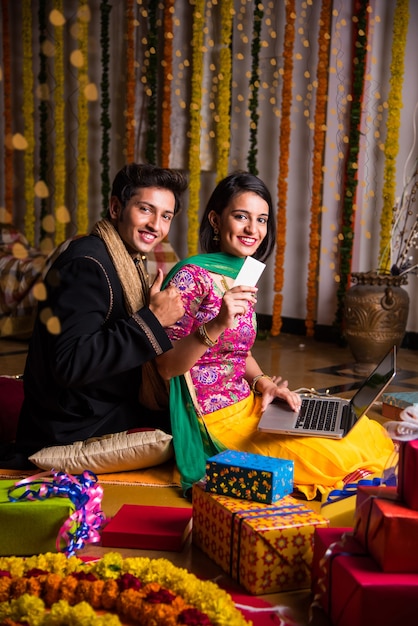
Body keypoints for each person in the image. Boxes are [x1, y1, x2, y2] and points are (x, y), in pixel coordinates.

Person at [155, 171, 395, 500]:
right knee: (333, 455)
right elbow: (167, 367)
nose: (253, 230)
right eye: (241, 217)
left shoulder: (243, 272)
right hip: (214, 419)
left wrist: (264, 383)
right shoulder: (190, 277)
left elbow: (240, 352)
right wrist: (217, 323)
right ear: (215, 219)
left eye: (262, 220)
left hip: (250, 403)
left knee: (363, 431)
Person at [4, 163, 188, 468]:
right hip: (72, 423)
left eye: (166, 216)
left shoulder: (126, 259)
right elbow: (69, 364)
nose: (156, 225)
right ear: (116, 207)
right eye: (146, 209)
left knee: (193, 405)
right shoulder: (87, 264)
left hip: (97, 401)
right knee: (190, 430)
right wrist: (152, 320)